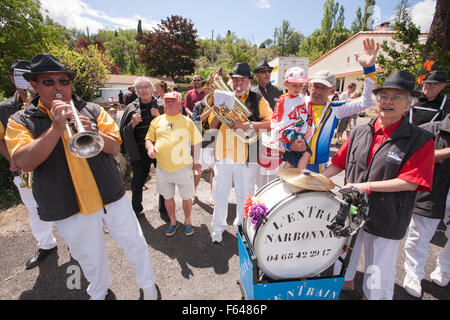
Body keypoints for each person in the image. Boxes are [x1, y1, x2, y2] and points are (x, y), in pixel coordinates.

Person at [5, 53, 158, 300]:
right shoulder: (20, 120)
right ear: (34, 85)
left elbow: (114, 147)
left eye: (64, 81)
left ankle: (148, 285)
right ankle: (98, 291)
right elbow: (22, 161)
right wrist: (55, 129)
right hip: (67, 204)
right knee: (88, 255)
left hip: (109, 195)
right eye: (49, 82)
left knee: (134, 243)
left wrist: (93, 131)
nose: (58, 88)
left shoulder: (92, 109)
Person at [322, 70, 435, 300]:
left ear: (408, 104)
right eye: (383, 96)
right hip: (352, 211)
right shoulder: (360, 131)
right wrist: (312, 181)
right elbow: (337, 164)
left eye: (397, 97)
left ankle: (371, 296)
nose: (388, 102)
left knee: (376, 271)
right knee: (344, 255)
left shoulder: (420, 140)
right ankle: (346, 282)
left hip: (386, 215)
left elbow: (411, 182)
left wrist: (366, 187)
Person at [0, 59, 57, 270]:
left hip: (52, 166)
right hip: (24, 171)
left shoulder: (48, 101)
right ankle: (46, 244)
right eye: (18, 75)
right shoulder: (4, 108)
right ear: (12, 78)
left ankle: (74, 243)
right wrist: (14, 159)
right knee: (34, 209)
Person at [209, 62, 272, 244]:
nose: (238, 84)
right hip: (224, 154)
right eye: (235, 80)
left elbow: (270, 123)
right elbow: (212, 126)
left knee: (245, 194)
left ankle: (242, 227)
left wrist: (248, 125)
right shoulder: (223, 97)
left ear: (249, 81)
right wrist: (219, 110)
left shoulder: (257, 99)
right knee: (220, 193)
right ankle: (218, 229)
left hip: (247, 155)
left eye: (242, 80)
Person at [402, 71, 450, 298]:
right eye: (426, 83)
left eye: (433, 84)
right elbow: (420, 153)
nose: (427, 88)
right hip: (434, 183)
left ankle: (445, 268)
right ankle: (413, 272)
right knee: (420, 232)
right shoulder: (434, 128)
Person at [305, 38, 380, 173]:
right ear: (310, 87)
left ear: (331, 90)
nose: (317, 91)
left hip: (318, 168)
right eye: (315, 86)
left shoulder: (336, 109)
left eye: (323, 88)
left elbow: (368, 101)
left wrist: (369, 69)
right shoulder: (298, 103)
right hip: (292, 163)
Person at [145, 91, 203, 237]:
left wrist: (196, 163)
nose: (169, 104)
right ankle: (173, 222)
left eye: (172, 101)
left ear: (179, 104)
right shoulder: (156, 121)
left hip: (183, 167)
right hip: (163, 168)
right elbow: (148, 139)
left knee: (186, 197)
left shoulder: (187, 121)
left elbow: (196, 142)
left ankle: (188, 222)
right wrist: (150, 147)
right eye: (166, 102)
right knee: (167, 197)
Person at [119, 77, 168, 222]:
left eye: (146, 87)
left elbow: (173, 128)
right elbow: (123, 131)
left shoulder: (162, 105)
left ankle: (164, 209)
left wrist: (160, 116)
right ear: (135, 90)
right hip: (139, 151)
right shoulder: (131, 108)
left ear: (152, 89)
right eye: (139, 87)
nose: (143, 90)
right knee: (137, 182)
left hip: (161, 151)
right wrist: (132, 124)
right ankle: (136, 208)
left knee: (164, 181)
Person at [269, 67, 312, 170]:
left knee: (296, 157)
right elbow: (276, 118)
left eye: (300, 85)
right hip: (288, 135)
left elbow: (305, 114)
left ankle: (296, 176)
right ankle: (289, 177)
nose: (297, 88)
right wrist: (278, 133)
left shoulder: (302, 98)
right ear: (286, 84)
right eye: (294, 85)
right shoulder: (283, 100)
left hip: (298, 133)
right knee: (303, 154)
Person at [191, 87, 216, 206]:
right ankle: (193, 193)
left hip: (216, 139)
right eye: (209, 89)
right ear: (205, 91)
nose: (211, 91)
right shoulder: (198, 105)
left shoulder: (222, 105)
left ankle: (212, 194)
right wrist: (210, 111)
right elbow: (195, 121)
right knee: (197, 170)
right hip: (201, 140)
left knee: (214, 170)